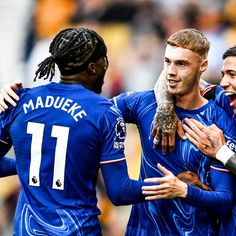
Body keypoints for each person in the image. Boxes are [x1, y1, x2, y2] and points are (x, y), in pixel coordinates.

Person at [1, 28, 235, 235]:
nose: (171, 72)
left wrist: (34, 159)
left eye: (181, 64)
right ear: (94, 66)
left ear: (203, 66)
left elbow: (224, 200)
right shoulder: (127, 107)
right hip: (128, 229)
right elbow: (119, 190)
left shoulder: (219, 116)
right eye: (167, 62)